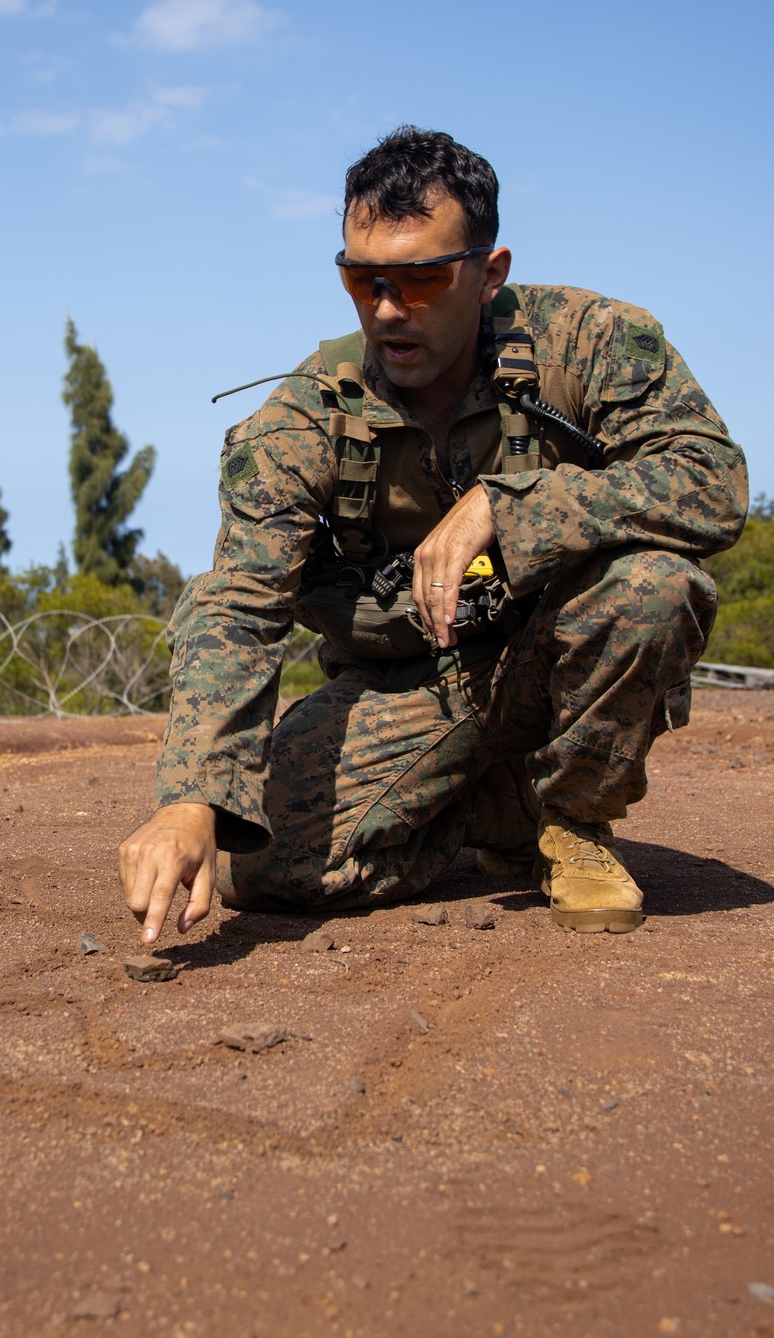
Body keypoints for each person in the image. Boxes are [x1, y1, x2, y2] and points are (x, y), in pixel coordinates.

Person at [119, 126, 747, 944]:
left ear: (489, 275)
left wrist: (511, 505)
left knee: (654, 588)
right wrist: (193, 797)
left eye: (419, 280)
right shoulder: (308, 416)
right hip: (405, 685)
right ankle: (478, 802)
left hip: (553, 658)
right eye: (362, 279)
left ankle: (575, 822)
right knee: (259, 868)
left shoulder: (589, 343)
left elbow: (712, 483)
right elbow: (239, 604)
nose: (386, 309)